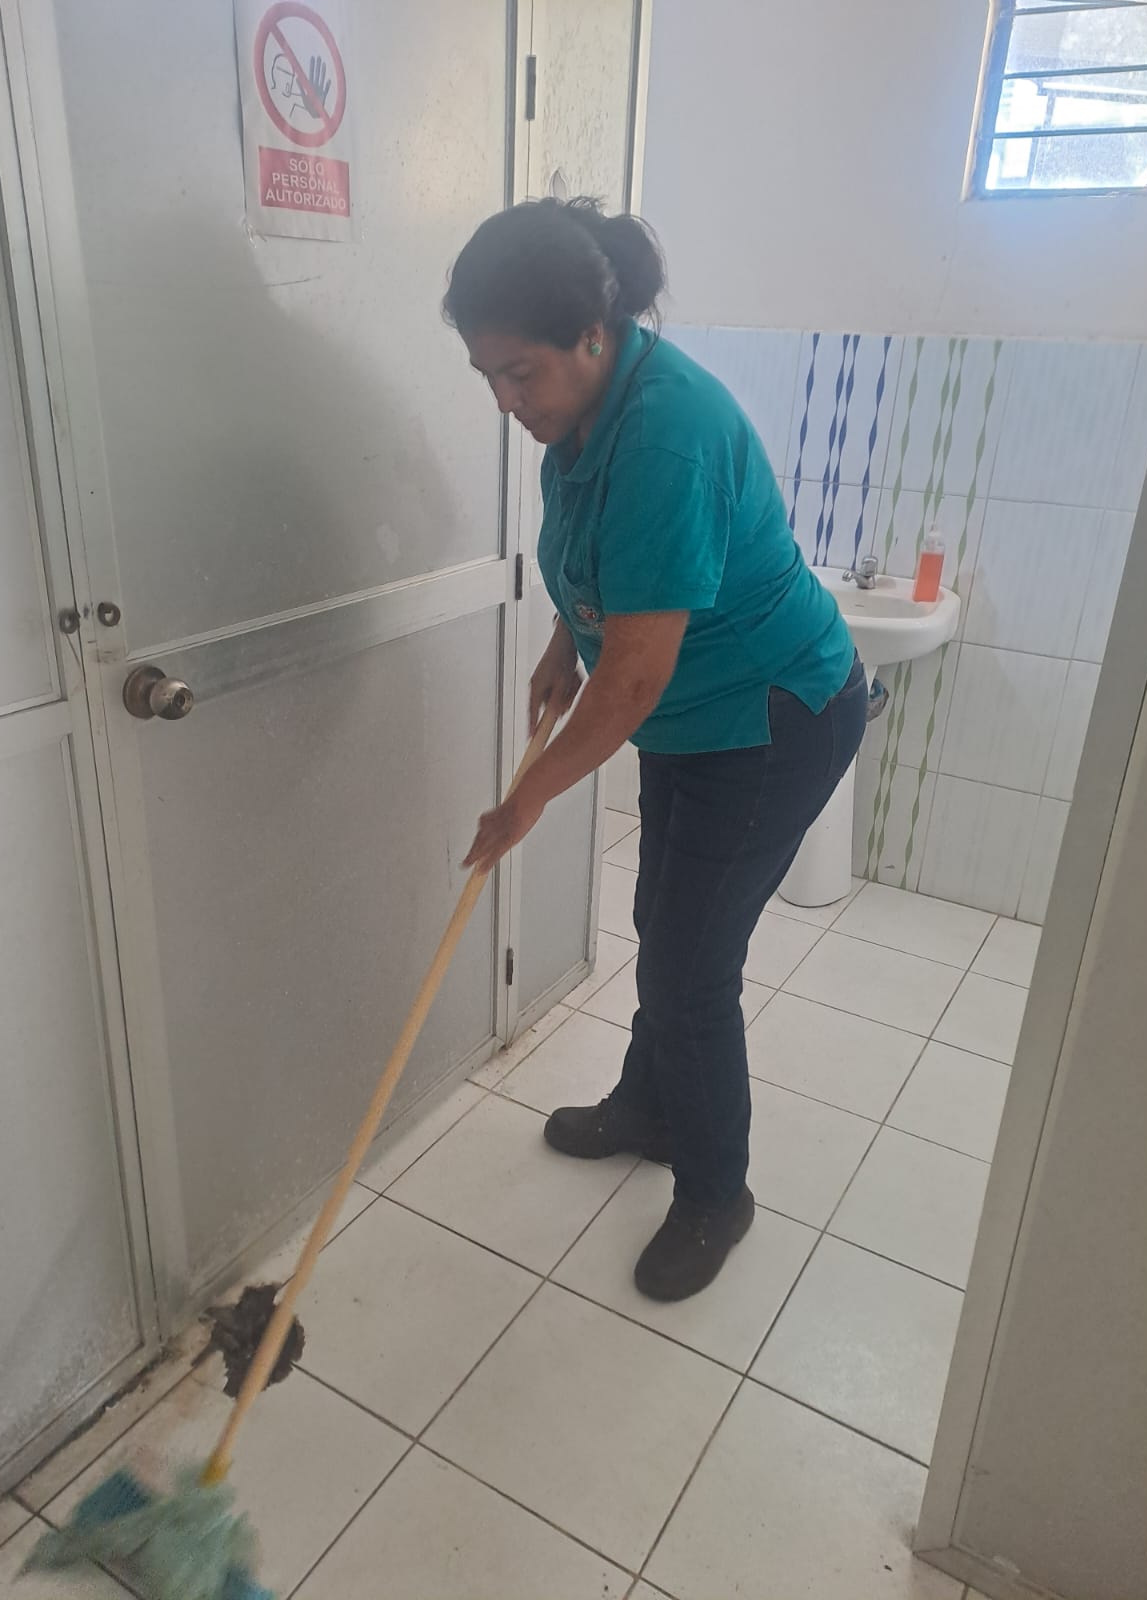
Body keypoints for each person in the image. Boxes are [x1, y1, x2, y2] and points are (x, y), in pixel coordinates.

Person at [445, 198, 867, 1302]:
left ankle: (716, 1192)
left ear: (593, 336)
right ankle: (650, 1107)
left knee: (689, 962)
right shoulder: (580, 414)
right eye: (486, 373)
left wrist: (527, 797)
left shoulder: (667, 435)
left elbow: (635, 676)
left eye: (520, 372)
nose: (504, 400)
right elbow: (603, 560)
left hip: (772, 714)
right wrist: (562, 640)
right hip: (694, 711)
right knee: (662, 924)